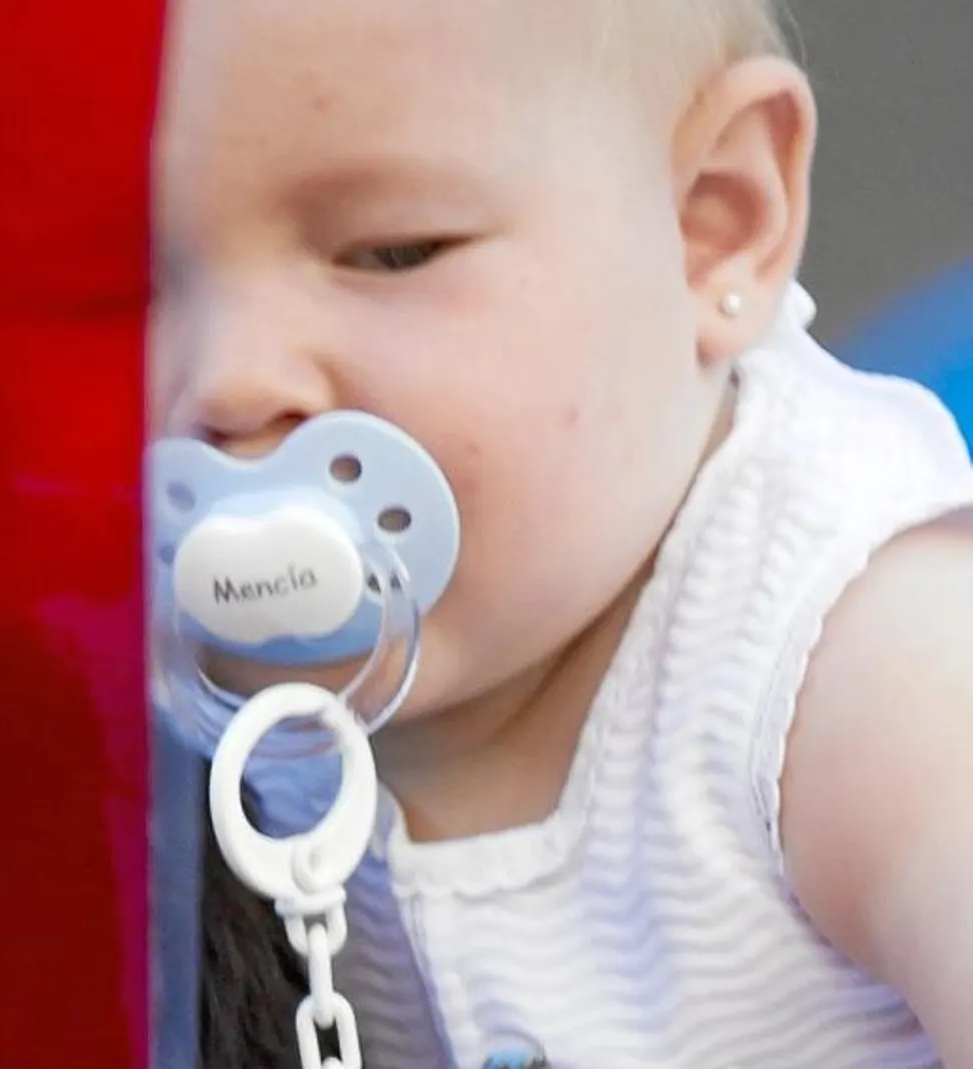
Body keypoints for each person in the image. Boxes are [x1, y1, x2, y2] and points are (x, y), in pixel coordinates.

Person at [151, 1, 973, 1066]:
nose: (227, 379)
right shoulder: (158, 695)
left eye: (391, 251)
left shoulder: (856, 658)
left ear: (711, 223)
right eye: (125, 283)